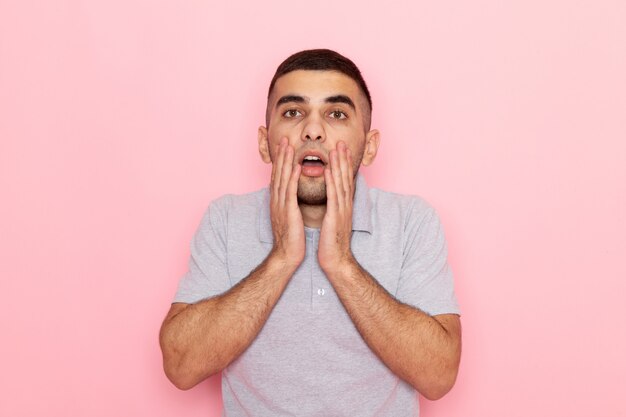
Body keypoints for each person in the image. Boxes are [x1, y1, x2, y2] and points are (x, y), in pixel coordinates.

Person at [159, 49, 462, 416]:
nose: (313, 129)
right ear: (263, 142)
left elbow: (439, 376)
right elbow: (180, 367)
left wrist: (342, 263)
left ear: (369, 147)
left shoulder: (412, 220)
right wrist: (282, 257)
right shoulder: (225, 219)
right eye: (292, 112)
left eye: (336, 114)